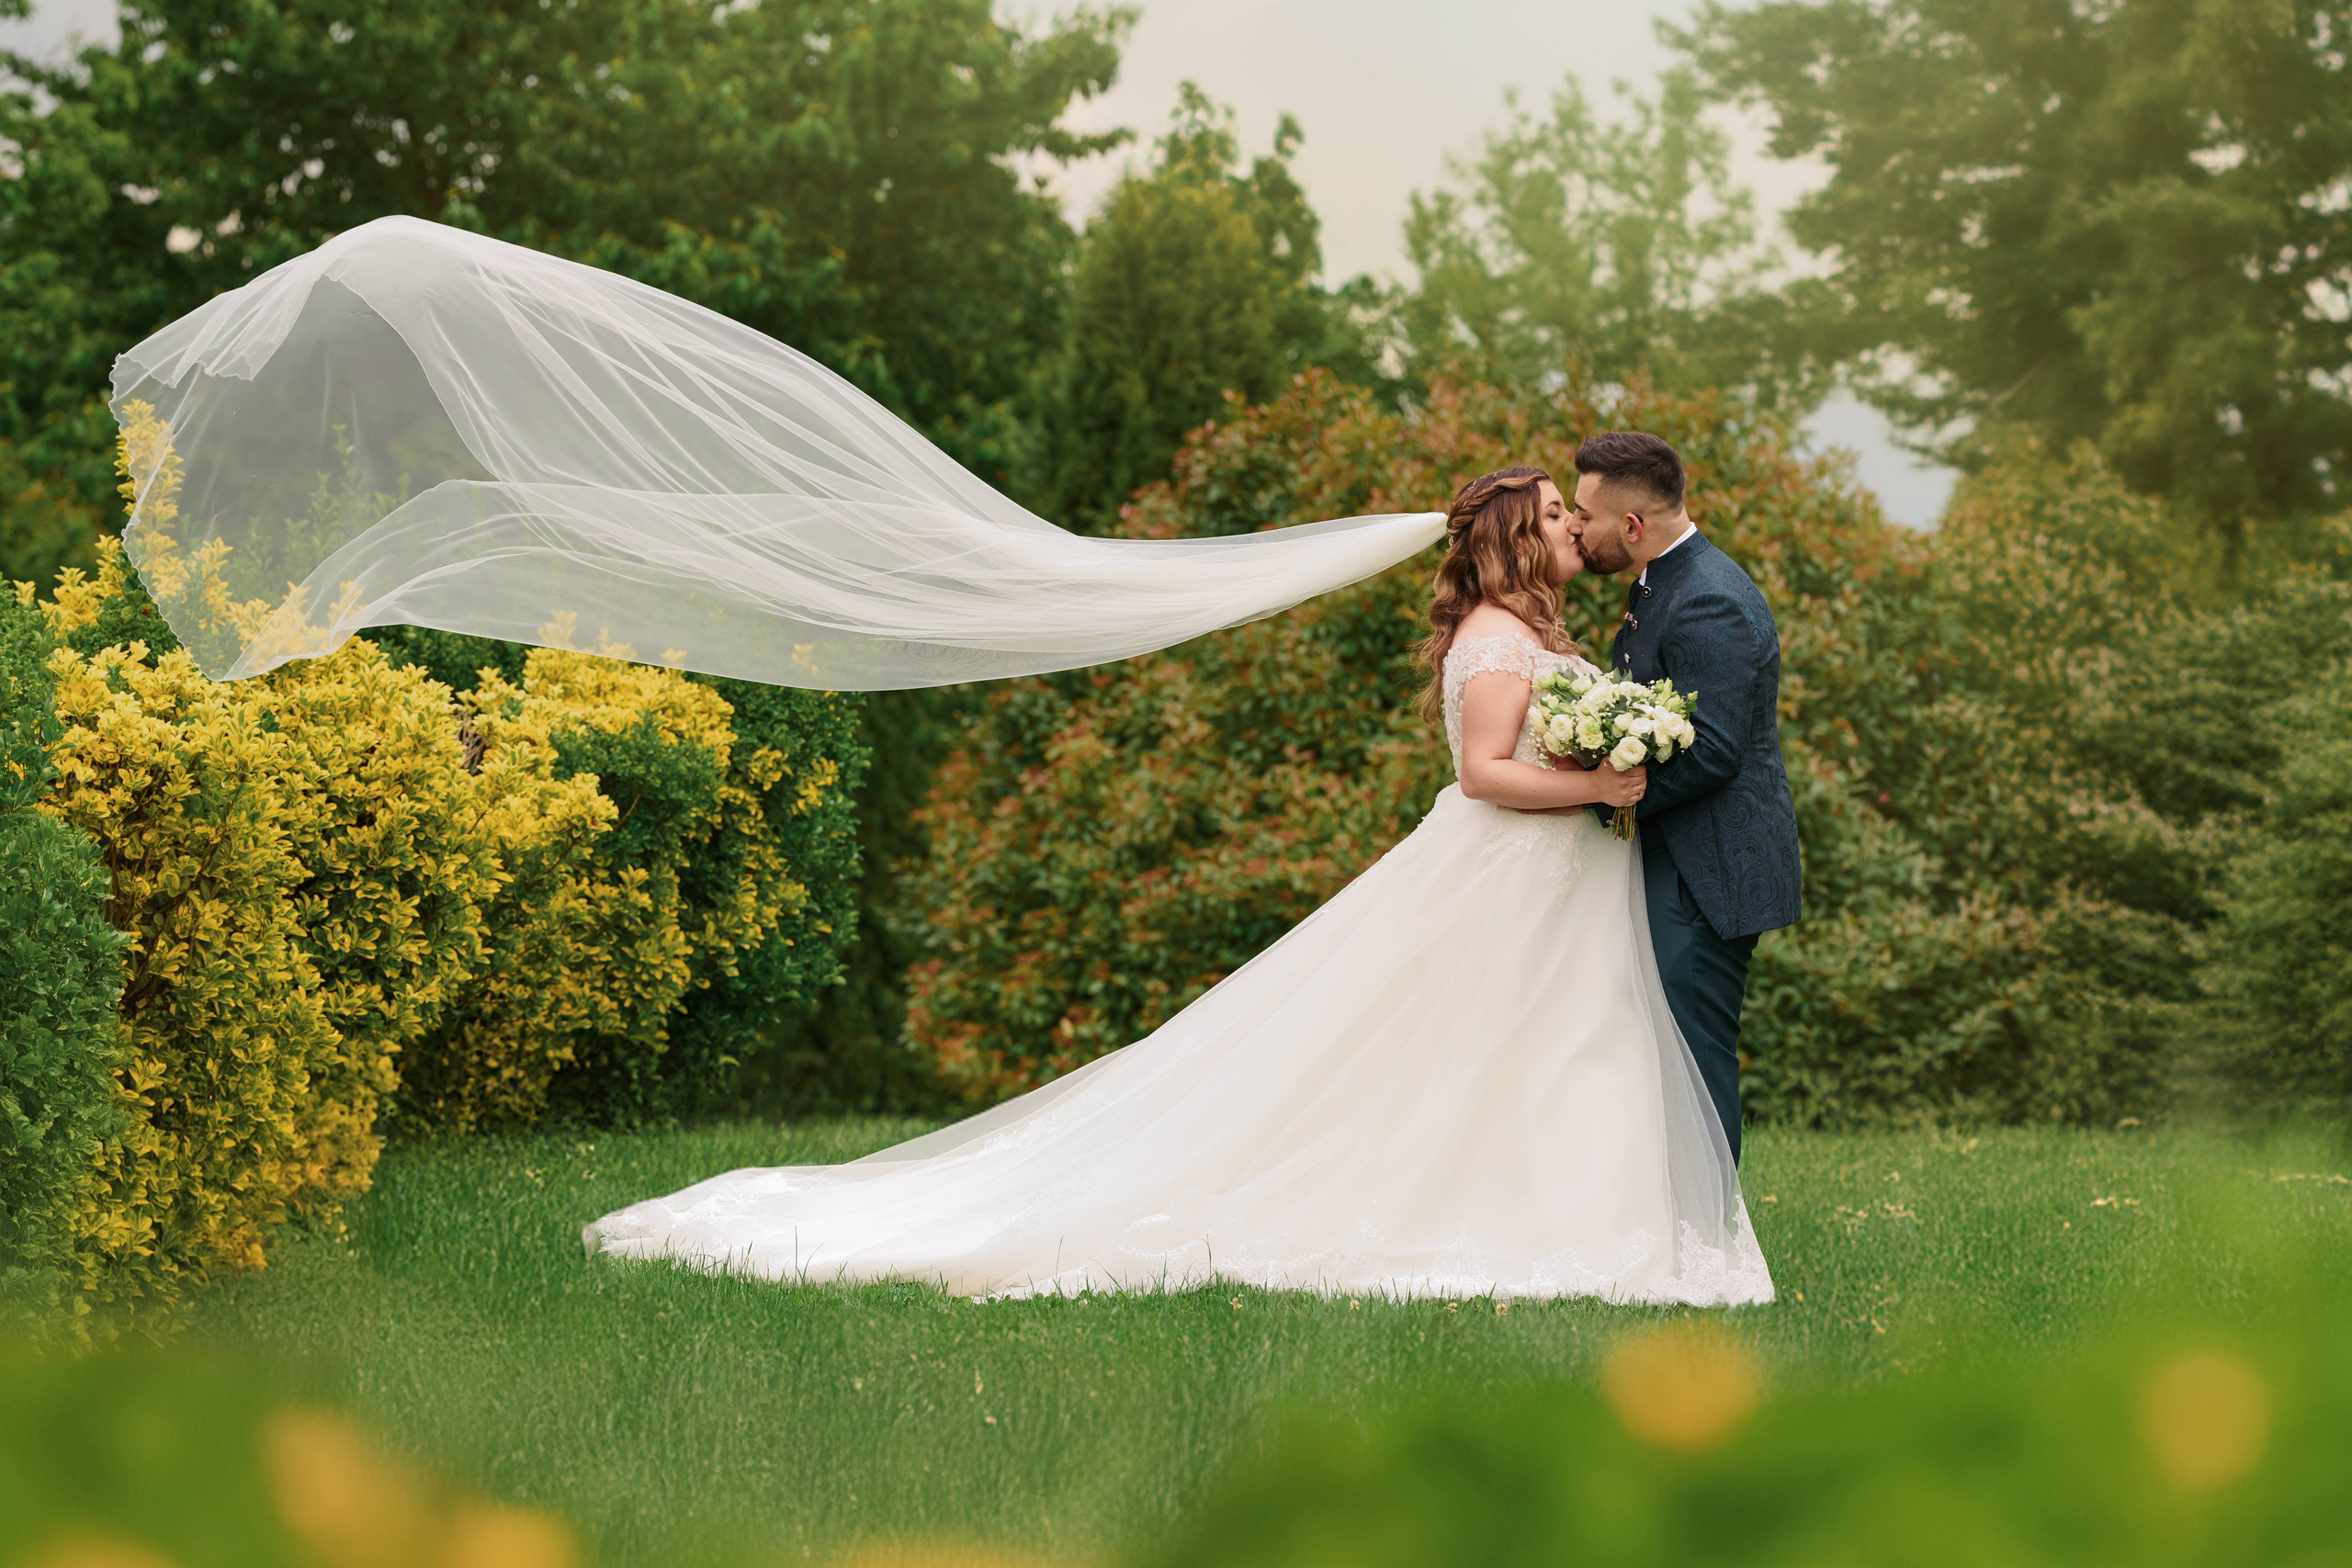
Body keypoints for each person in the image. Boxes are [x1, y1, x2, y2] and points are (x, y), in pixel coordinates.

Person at [585, 466, 1774, 1306]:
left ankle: (1590, 1210)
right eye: (1557, 514)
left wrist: (1600, 763)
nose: (1575, 525)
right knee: (1464, 1048)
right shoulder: (1496, 640)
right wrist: (1597, 789)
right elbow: (1482, 773)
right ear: (1517, 538)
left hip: (1550, 882)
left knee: (1553, 1047)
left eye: (1578, 510)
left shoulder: (1537, 628)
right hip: (1510, 864)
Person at [1566, 434, 1804, 1166]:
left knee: (1695, 1060)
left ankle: (1711, 1251)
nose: (1575, 528)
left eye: (1584, 515)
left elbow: (1716, 748)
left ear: (1632, 526)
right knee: (1659, 1057)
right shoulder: (1657, 580)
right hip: (1669, 852)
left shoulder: (1709, 599)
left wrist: (1602, 799)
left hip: (1710, 870)